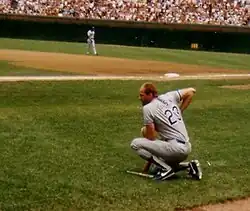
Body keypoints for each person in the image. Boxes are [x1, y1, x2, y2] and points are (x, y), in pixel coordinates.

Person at [130, 82, 202, 181]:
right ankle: (189, 166)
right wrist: (180, 111)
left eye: (142, 95)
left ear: (150, 94)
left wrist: (145, 130)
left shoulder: (148, 108)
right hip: (186, 147)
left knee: (135, 144)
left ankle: (166, 169)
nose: (139, 98)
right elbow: (191, 91)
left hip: (175, 149)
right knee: (156, 167)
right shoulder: (169, 96)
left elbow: (151, 138)